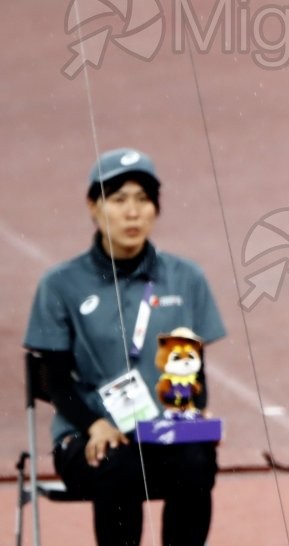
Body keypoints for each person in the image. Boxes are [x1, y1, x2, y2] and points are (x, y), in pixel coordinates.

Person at [23, 148, 227, 546]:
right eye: (118, 200)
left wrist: (194, 414)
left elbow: (192, 367)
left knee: (197, 461)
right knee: (118, 466)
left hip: (160, 429)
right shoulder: (60, 284)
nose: (132, 213)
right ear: (93, 207)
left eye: (142, 200)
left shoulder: (186, 278)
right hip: (89, 433)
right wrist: (94, 425)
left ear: (155, 208)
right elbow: (55, 381)